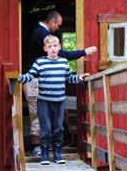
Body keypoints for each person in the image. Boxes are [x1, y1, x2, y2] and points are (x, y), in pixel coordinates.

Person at [22, 11, 97, 157]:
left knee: (45, 115)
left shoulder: (38, 31)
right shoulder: (42, 33)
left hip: (38, 80)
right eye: (59, 25)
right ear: (52, 23)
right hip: (35, 80)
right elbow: (62, 54)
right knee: (37, 114)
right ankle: (38, 147)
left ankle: (46, 147)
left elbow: (68, 76)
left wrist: (78, 77)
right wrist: (84, 52)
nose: (58, 28)